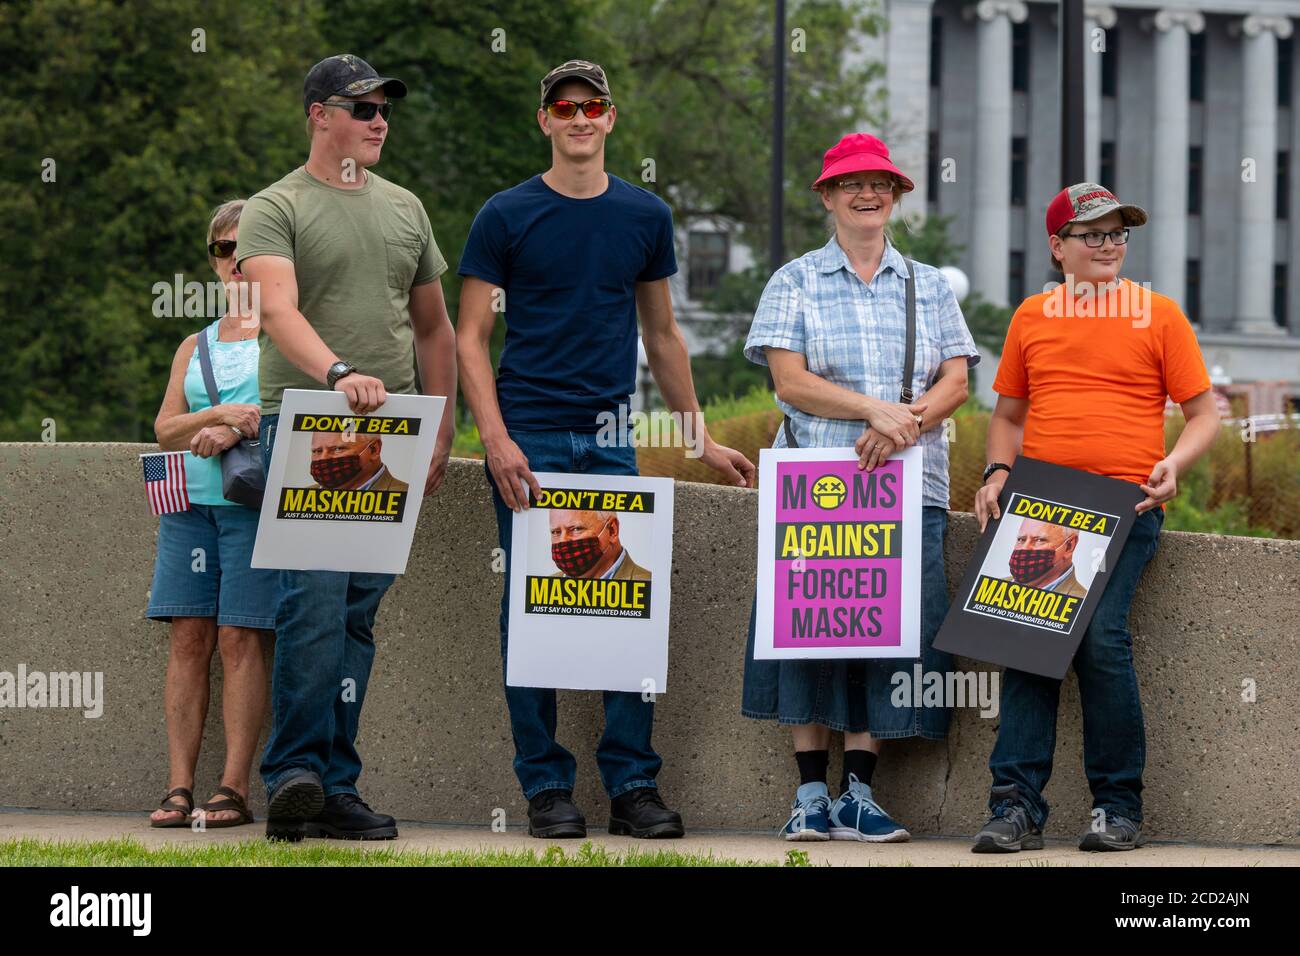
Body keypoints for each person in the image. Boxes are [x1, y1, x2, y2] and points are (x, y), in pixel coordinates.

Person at [457, 59, 754, 840]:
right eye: (565, 106)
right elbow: (471, 336)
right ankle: (548, 788)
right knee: (533, 609)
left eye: (593, 106)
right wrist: (495, 438)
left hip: (612, 439)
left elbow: (662, 334)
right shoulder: (505, 215)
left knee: (626, 602)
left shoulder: (644, 215)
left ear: (611, 119)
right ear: (545, 119)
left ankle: (632, 787)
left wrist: (701, 437)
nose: (580, 118)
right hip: (530, 436)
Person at [236, 53, 457, 841]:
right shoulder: (275, 207)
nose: (377, 121)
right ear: (318, 115)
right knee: (314, 604)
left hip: (392, 437)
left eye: (383, 109)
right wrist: (338, 372)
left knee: (357, 614)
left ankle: (333, 787)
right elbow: (276, 311)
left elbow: (433, 327)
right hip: (312, 424)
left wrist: (442, 422)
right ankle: (295, 772)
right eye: (360, 108)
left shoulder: (406, 208)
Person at [741, 133, 979, 842]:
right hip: (813, 487)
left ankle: (860, 794)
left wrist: (900, 424)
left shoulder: (929, 284)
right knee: (809, 630)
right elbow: (790, 381)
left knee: (890, 635)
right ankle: (809, 793)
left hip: (908, 488)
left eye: (880, 183)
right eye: (850, 184)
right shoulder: (795, 280)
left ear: (898, 195)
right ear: (826, 196)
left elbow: (958, 381)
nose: (866, 193)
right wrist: (872, 410)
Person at [971, 182, 1218, 852]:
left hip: (1124, 503)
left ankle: (1118, 807)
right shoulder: (1032, 316)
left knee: (1101, 642)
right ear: (1057, 248)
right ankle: (1015, 807)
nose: (1108, 244)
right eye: (1092, 234)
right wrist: (996, 472)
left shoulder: (1158, 314)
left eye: (1117, 233)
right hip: (1044, 506)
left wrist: (1175, 464)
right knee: (1026, 652)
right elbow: (1008, 417)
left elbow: (1204, 412)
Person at [147, 199, 274, 829]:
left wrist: (239, 430)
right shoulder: (192, 345)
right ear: (214, 261)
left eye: (247, 249)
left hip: (251, 507)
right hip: (188, 507)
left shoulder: (284, 336)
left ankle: (232, 787)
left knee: (240, 638)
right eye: (225, 250)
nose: (235, 262)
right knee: (187, 639)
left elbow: (297, 416)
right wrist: (216, 417)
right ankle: (177, 787)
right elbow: (165, 427)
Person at [548, 510, 650, 580]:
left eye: (576, 529)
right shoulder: (543, 588)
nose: (562, 541)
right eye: (555, 532)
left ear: (612, 530)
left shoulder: (654, 588)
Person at [1001, 519, 1086, 596]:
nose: (1024, 548)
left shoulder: (1083, 603)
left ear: (1069, 546)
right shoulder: (995, 586)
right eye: (1021, 539)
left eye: (1039, 540)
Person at [308, 431, 408, 493]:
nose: (323, 458)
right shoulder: (301, 496)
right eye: (317, 451)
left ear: (374, 450)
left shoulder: (409, 497)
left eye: (338, 449)